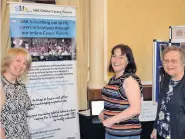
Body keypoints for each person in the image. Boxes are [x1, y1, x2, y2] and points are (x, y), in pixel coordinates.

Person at [99, 44, 143, 139]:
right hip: (111, 132)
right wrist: (104, 112)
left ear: (128, 61)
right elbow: (117, 102)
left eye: (121, 57)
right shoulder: (114, 79)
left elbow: (135, 109)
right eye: (114, 56)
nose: (116, 60)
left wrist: (110, 120)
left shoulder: (129, 80)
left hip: (126, 135)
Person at [150, 46, 185, 139]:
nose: (169, 64)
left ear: (183, 63)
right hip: (162, 134)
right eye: (166, 61)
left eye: (173, 61)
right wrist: (155, 128)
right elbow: (162, 106)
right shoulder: (166, 79)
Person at [0, 48, 32, 139]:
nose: (21, 65)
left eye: (25, 63)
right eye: (18, 60)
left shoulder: (21, 85)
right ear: (8, 61)